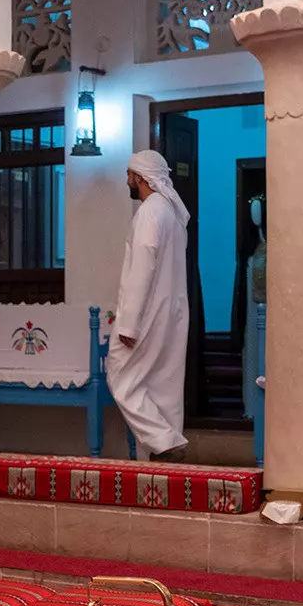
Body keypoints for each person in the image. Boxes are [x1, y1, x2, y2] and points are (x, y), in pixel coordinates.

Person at [107, 149, 194, 462]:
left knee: (119, 375)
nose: (126, 180)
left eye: (129, 174)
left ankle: (165, 442)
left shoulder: (150, 212)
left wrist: (128, 323)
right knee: (161, 382)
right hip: (169, 313)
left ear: (141, 177)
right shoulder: (169, 212)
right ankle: (165, 455)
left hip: (146, 315)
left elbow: (142, 268)